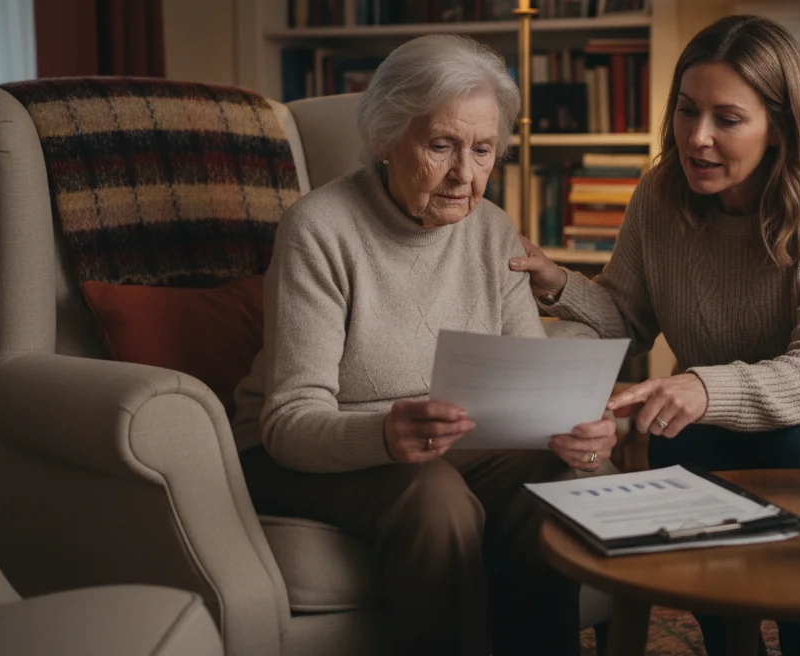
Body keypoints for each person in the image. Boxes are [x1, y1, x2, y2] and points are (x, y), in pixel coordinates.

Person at [510, 14, 800, 656]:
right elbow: (627, 320)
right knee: (683, 457)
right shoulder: (657, 195)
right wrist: (559, 283)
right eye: (686, 111)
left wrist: (699, 385)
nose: (697, 138)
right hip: (709, 428)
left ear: (778, 125)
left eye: (727, 118)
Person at [230, 34, 617, 656]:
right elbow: (290, 421)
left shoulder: (492, 232)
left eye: (483, 150)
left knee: (551, 475)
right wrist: (385, 434)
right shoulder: (320, 229)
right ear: (386, 138)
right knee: (432, 495)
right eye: (441, 145)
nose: (466, 173)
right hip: (309, 449)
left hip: (448, 442)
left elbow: (527, 383)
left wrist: (583, 432)